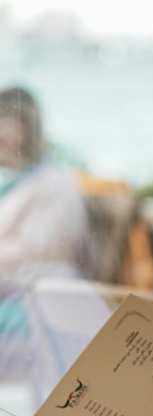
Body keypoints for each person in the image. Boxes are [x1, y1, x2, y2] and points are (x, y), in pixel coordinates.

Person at [0, 86, 87, 276]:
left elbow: (36, 254)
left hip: (38, 291)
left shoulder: (53, 182)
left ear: (27, 128)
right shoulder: (13, 181)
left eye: (4, 121)